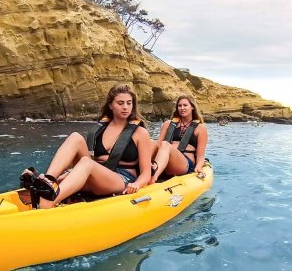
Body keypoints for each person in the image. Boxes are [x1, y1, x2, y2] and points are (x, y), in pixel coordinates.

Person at [20, 84, 153, 209]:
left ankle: (50, 201)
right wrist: (67, 175)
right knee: (75, 137)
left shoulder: (140, 133)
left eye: (129, 103)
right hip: (97, 173)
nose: (125, 107)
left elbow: (146, 173)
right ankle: (48, 181)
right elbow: (89, 163)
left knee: (86, 162)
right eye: (120, 103)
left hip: (122, 178)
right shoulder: (100, 129)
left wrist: (136, 185)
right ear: (111, 105)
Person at [149, 95, 208, 184]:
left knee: (165, 145)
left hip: (185, 163)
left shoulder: (200, 128)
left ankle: (153, 177)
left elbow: (200, 155)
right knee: (151, 142)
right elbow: (158, 144)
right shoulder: (168, 124)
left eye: (185, 105)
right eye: (179, 106)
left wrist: (199, 166)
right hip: (165, 160)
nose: (182, 108)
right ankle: (139, 171)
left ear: (192, 107)